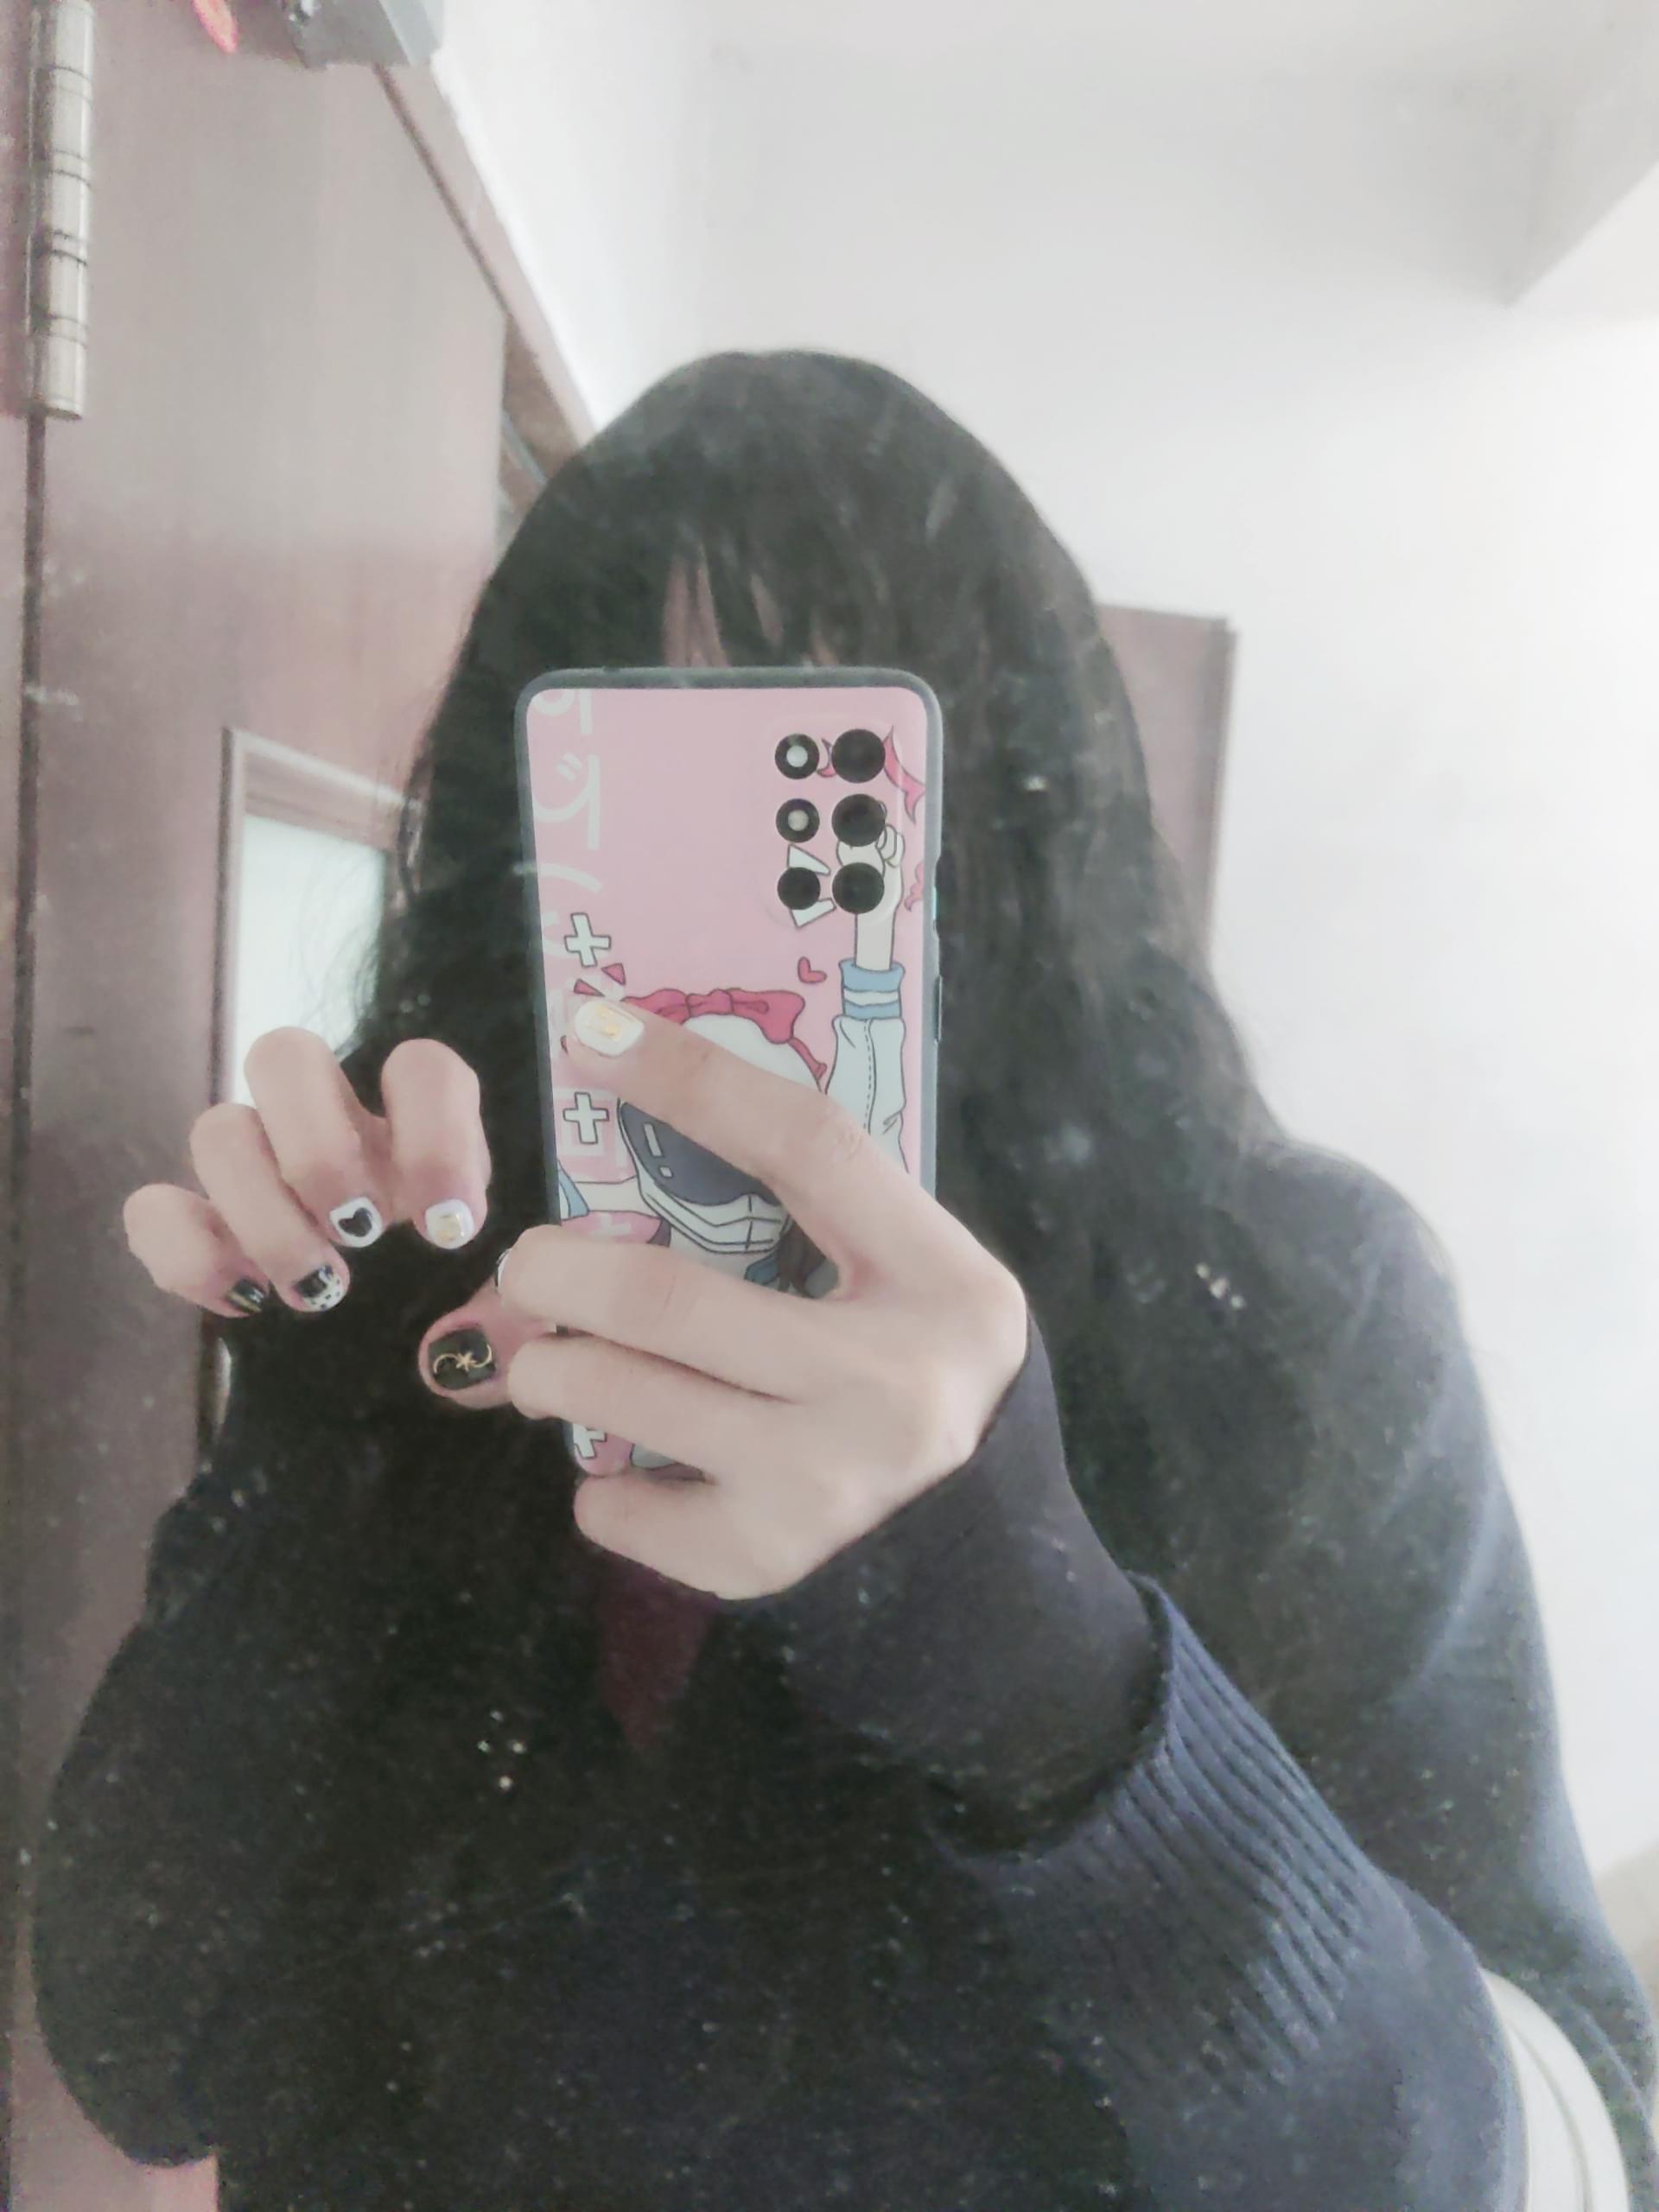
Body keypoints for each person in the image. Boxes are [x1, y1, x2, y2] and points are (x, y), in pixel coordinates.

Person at [30, 352, 1656, 2209]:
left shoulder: (1291, 1312)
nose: (727, 924)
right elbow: (143, 2047)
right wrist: (329, 1431)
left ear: (1017, 831)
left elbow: (1567, 2162)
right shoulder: (444, 1255)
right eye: (646, 803)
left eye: (815, 796)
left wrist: (1068, 1697)